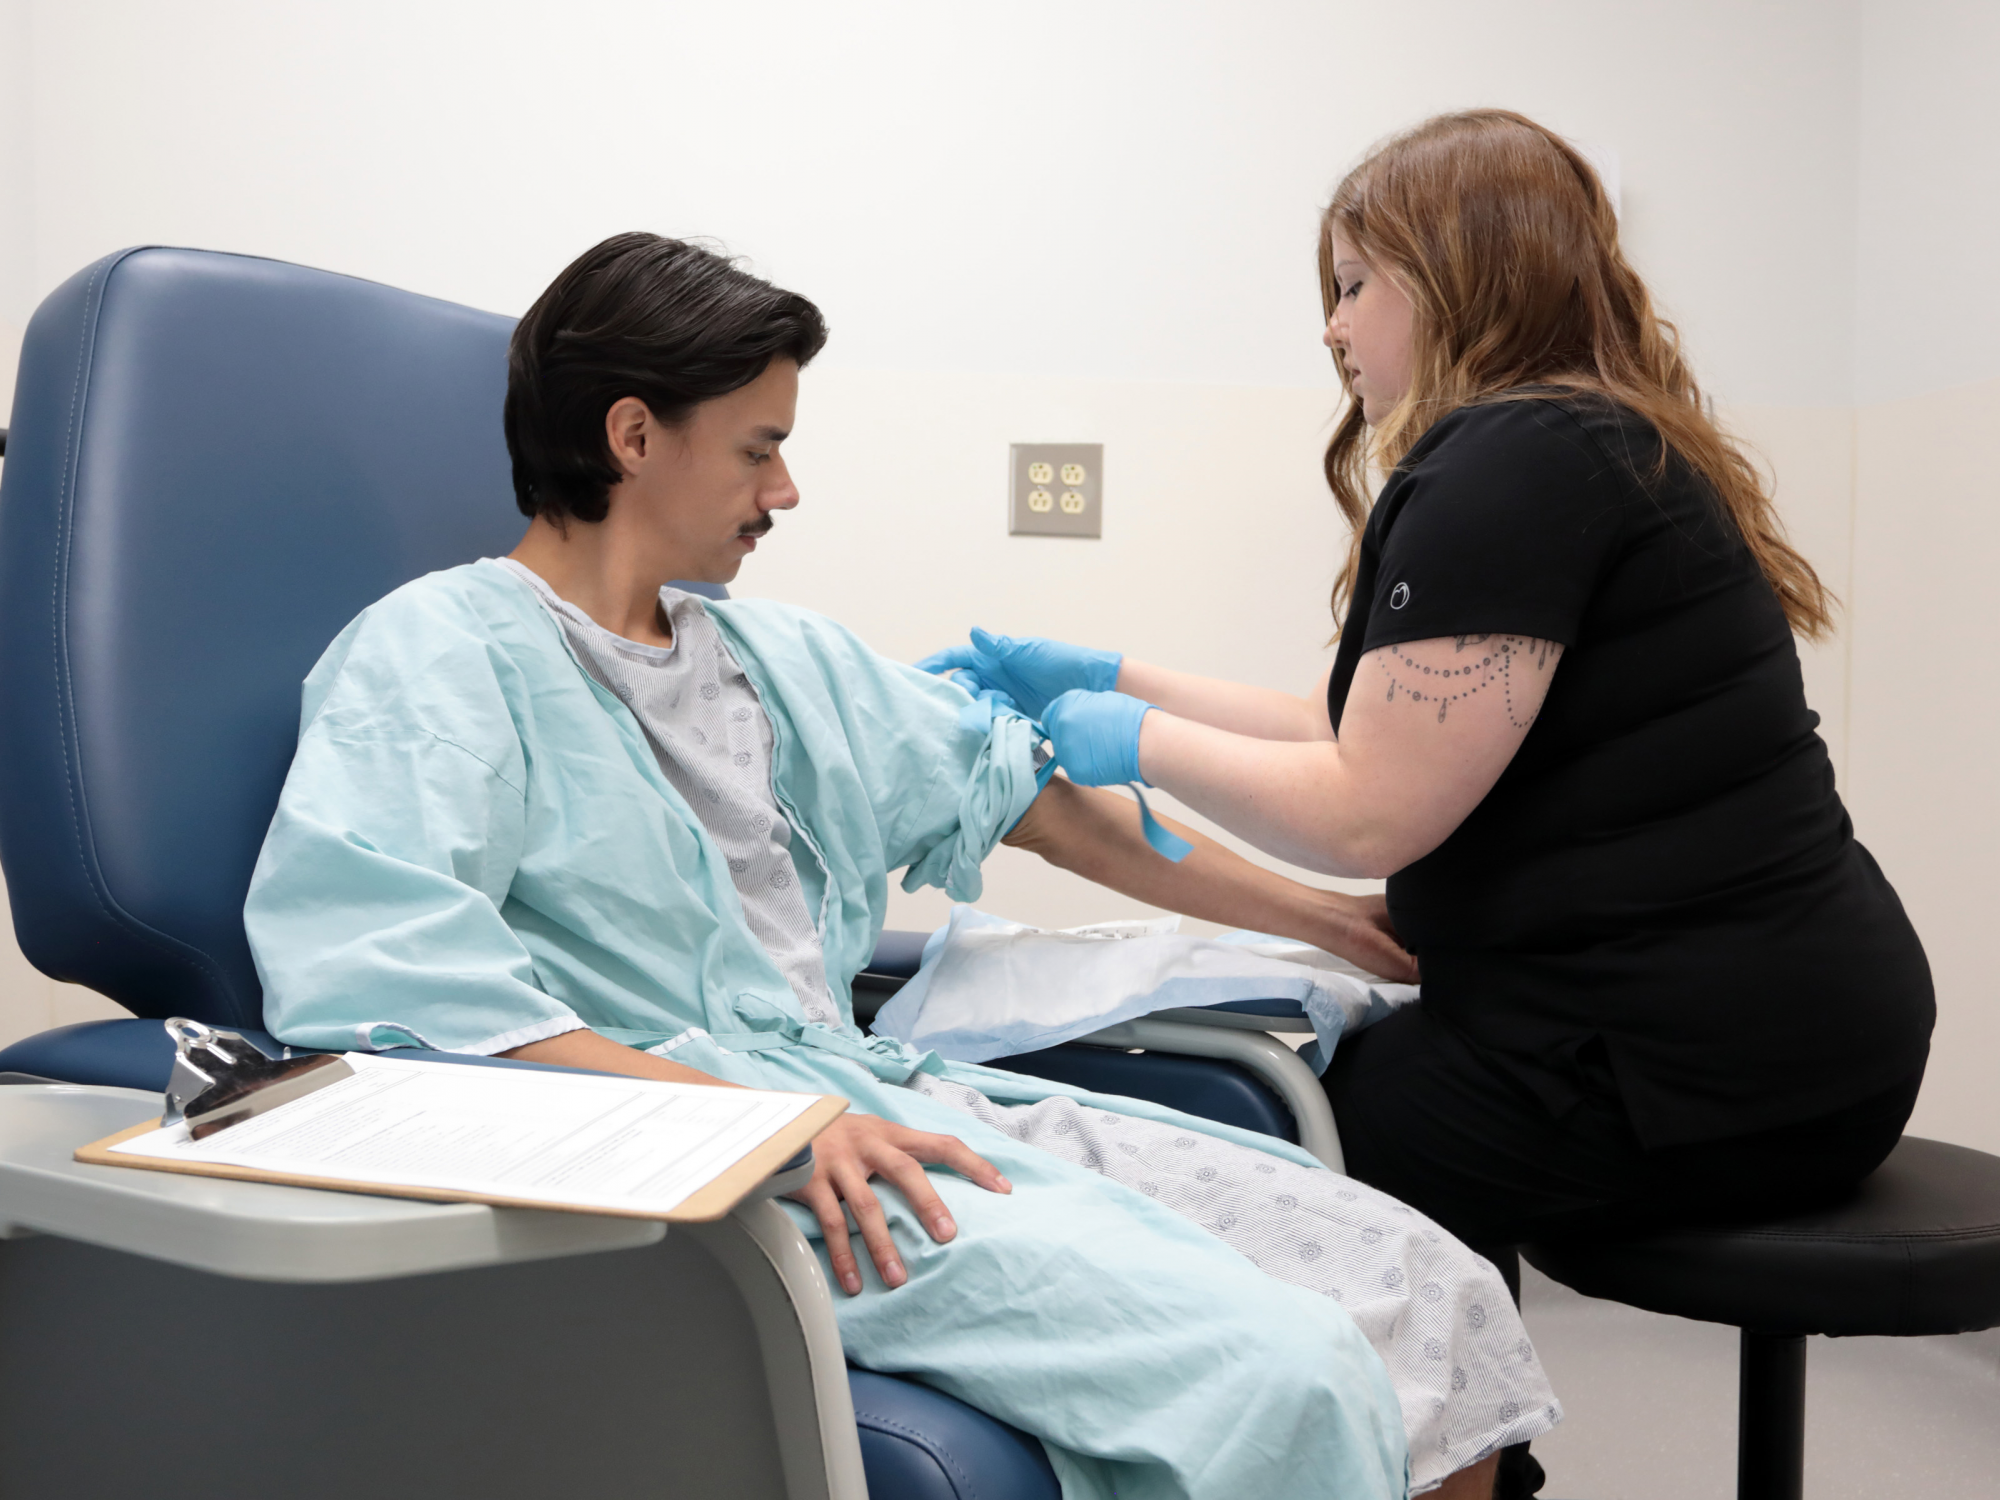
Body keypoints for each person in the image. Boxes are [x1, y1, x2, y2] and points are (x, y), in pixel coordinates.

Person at [245, 231, 1559, 1500]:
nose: (786, 492)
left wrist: (1331, 921)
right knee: (1294, 1371)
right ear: (633, 436)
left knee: (1440, 1296)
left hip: (876, 1106)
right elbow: (392, 985)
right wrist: (756, 1122)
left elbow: (1035, 800)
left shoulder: (774, 660)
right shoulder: (437, 653)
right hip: (720, 1167)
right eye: (760, 450)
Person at [928, 109, 1934, 1499]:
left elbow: (1362, 814)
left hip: (1704, 1064)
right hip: (1796, 1031)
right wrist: (1106, 673)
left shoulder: (1513, 463)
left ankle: (1452, 1477)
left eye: (1353, 286)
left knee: (1315, 1123)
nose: (1333, 332)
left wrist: (1128, 735)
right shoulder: (1590, 442)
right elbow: (1368, 729)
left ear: (1456, 274)